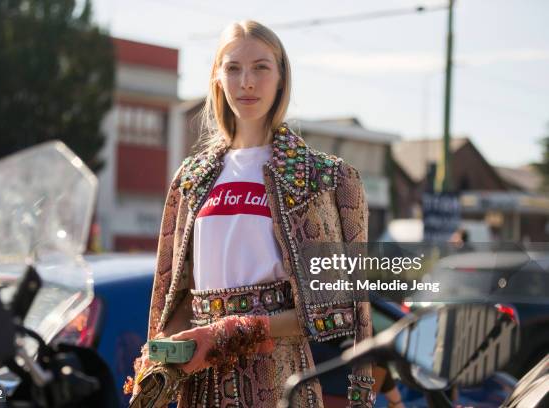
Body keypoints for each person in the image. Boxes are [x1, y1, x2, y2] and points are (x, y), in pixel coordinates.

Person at [128, 20, 375, 407]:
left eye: (261, 67)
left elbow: (335, 311)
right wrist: (164, 358)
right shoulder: (191, 179)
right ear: (217, 79)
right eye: (233, 68)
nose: (247, 82)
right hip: (199, 386)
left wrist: (225, 334)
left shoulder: (320, 178)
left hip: (278, 383)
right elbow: (176, 299)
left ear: (281, 78)